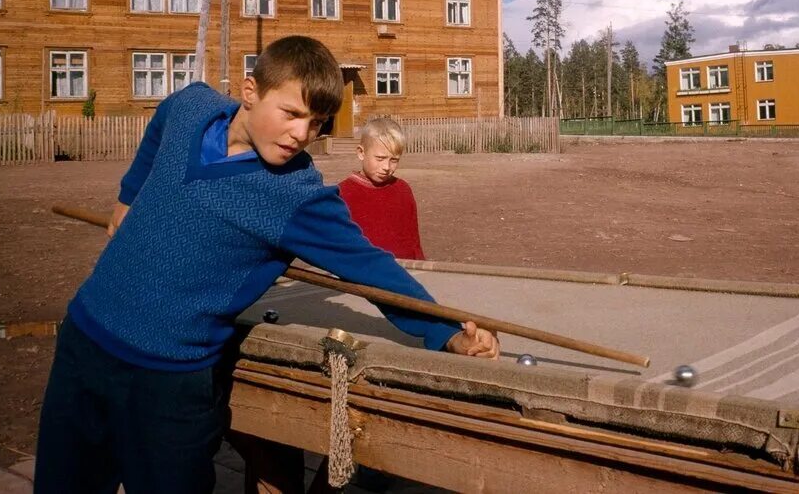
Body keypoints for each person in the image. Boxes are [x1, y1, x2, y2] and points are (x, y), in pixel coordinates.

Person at [34, 36, 499, 494]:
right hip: (84, 344)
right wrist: (128, 195)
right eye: (293, 113)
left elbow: (368, 265)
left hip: (168, 384)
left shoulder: (295, 194)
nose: (302, 134)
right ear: (250, 92)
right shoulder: (195, 109)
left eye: (317, 123)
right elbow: (165, 114)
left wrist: (446, 330)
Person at [338, 117, 425, 260]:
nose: (386, 167)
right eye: (380, 158)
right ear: (361, 153)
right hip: (362, 273)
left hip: (403, 270)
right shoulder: (342, 194)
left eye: (394, 160)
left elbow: (413, 240)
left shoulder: (402, 189)